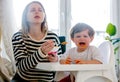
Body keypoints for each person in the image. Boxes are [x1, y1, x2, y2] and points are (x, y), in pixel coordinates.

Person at [11, 1, 62, 82]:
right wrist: (40, 52)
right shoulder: (18, 37)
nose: (37, 11)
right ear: (25, 17)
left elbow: (60, 60)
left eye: (40, 10)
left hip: (47, 80)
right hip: (24, 80)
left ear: (44, 16)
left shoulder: (53, 37)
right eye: (32, 10)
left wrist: (56, 59)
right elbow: (21, 67)